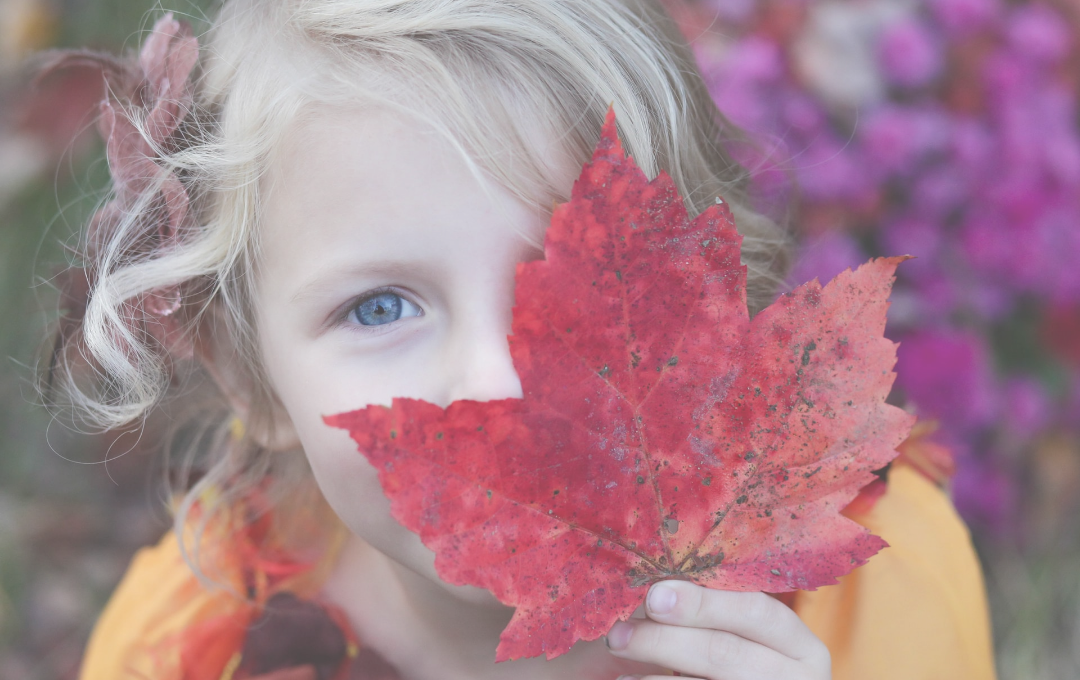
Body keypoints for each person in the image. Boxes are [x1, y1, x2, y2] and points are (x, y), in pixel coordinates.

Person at [43, 2, 996, 679]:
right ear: (247, 377)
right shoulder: (181, 651)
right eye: (379, 308)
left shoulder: (874, 592)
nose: (500, 378)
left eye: (575, 282)